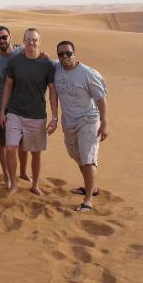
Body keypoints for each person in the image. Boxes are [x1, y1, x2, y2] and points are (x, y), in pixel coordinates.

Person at [0, 28, 58, 196]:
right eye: (28, 39)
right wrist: (2, 111)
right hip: (15, 112)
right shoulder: (15, 61)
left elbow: (52, 91)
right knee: (11, 148)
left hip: (37, 115)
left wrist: (55, 117)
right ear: (23, 41)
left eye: (35, 39)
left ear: (39, 41)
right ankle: (13, 184)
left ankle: (35, 185)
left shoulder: (48, 64)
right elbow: (8, 87)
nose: (31, 42)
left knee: (35, 152)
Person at [54, 40, 108, 211]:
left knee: (88, 158)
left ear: (74, 53)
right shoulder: (56, 68)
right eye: (61, 54)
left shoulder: (87, 73)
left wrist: (104, 122)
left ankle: (88, 200)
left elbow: (100, 98)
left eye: (68, 53)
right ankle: (92, 187)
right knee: (76, 155)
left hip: (88, 120)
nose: (64, 57)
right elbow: (41, 58)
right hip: (69, 123)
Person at [0, 26, 31, 188]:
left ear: (10, 37)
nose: (1, 41)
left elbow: (36, 56)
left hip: (21, 104)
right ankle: (6, 176)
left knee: (23, 141)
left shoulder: (21, 52)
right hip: (2, 106)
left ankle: (23, 172)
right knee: (4, 142)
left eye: (4, 37)